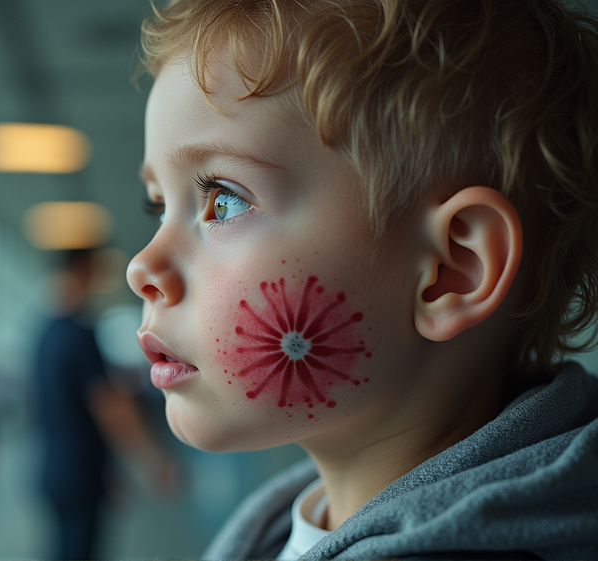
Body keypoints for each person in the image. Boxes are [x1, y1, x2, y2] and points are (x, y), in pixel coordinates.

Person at [127, 0, 598, 558]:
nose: (141, 268)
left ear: (451, 269)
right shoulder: (286, 527)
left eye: (224, 202)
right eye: (158, 204)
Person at [35, 249, 175, 560]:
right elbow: (108, 404)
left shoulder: (43, 334)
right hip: (80, 474)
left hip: (53, 470)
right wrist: (150, 458)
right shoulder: (79, 335)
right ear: (81, 270)